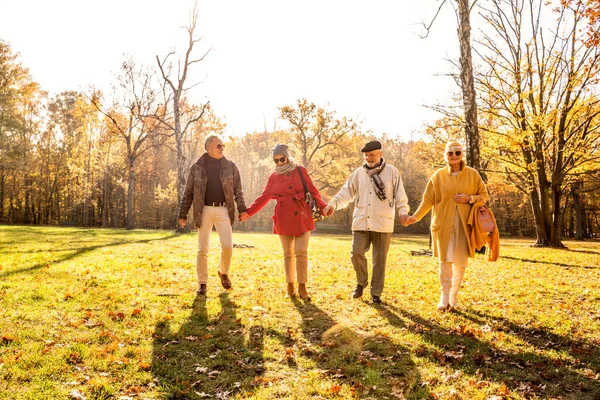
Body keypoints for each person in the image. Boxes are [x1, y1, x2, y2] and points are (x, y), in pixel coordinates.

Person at [404, 140, 488, 311]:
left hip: (466, 225)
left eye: (457, 152)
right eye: (450, 153)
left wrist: (469, 198)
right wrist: (415, 217)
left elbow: (483, 196)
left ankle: (453, 295)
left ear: (462, 154)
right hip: (443, 225)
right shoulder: (438, 176)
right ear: (445, 155)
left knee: (460, 261)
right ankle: (444, 296)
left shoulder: (473, 174)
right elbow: (428, 200)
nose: (454, 156)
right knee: (446, 260)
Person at [323, 140, 410, 304]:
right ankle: (361, 283)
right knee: (356, 253)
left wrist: (403, 212)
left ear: (380, 154)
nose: (369, 158)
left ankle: (376, 293)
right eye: (366, 155)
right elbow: (345, 193)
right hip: (362, 220)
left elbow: (400, 195)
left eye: (372, 155)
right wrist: (333, 204)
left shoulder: (392, 172)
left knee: (379, 260)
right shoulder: (358, 173)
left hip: (383, 222)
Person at [244, 144, 327, 300]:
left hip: (303, 215)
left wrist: (323, 207)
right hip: (283, 217)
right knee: (288, 253)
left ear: (287, 157)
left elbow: (313, 191)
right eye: (276, 161)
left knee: (301, 251)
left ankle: (302, 287)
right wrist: (248, 213)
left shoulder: (300, 171)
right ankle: (290, 285)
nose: (280, 163)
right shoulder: (273, 177)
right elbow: (263, 198)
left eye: (282, 159)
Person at [177, 134, 249, 295]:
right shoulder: (196, 168)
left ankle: (223, 272)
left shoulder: (230, 166)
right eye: (218, 146)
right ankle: (202, 283)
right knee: (203, 249)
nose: (222, 148)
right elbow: (188, 193)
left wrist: (242, 209)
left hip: (224, 210)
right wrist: (182, 214)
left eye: (223, 146)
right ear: (208, 148)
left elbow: (238, 190)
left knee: (227, 246)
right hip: (204, 211)